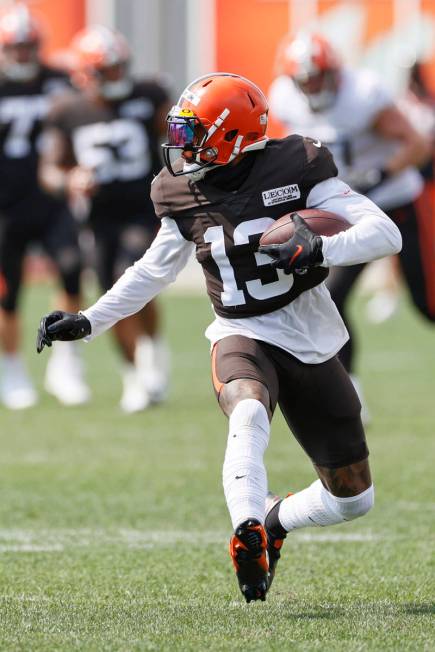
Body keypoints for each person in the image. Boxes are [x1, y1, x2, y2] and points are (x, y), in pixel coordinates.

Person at [36, 73, 402, 602]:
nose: (180, 145)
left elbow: (384, 234)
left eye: (195, 132)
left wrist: (321, 250)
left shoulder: (296, 164)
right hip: (241, 329)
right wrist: (91, 319)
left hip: (310, 332)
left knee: (352, 498)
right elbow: (151, 271)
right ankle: (247, 528)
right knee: (248, 409)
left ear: (231, 136)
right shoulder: (179, 190)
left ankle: (274, 520)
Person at [268, 33, 432, 419]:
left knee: (429, 305)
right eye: (304, 80)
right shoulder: (284, 98)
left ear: (335, 72)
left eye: (318, 77)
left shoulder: (363, 95)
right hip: (344, 212)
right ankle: (351, 397)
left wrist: (379, 173)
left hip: (394, 205)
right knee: (331, 296)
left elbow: (418, 145)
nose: (312, 87)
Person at [39, 25, 172, 412]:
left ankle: (152, 350)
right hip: (98, 218)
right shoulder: (68, 110)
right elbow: (49, 170)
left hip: (143, 207)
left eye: (118, 68)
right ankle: (133, 375)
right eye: (105, 70)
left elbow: (180, 137)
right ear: (85, 74)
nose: (115, 76)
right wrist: (70, 180)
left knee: (129, 275)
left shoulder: (149, 95)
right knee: (110, 291)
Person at [0, 3, 87, 409]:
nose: (22, 53)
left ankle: (65, 361)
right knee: (7, 292)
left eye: (28, 45)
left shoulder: (60, 80)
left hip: (51, 201)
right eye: (15, 47)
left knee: (71, 270)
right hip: (5, 207)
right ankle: (12, 367)